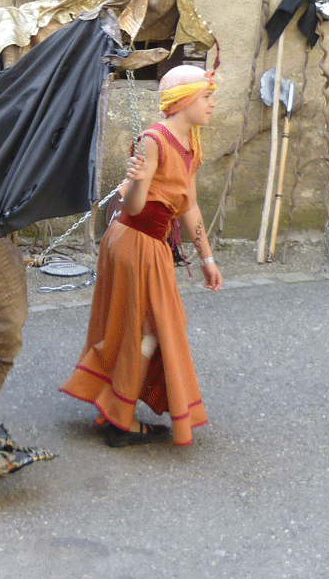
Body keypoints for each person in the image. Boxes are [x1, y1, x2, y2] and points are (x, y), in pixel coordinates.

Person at [61, 64, 223, 447]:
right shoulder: (153, 139)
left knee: (149, 326)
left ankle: (117, 404)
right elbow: (134, 207)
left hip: (149, 244)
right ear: (184, 101)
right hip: (135, 242)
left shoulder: (192, 142)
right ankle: (121, 417)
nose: (213, 105)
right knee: (152, 327)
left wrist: (207, 259)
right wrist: (136, 179)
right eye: (207, 97)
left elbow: (189, 206)